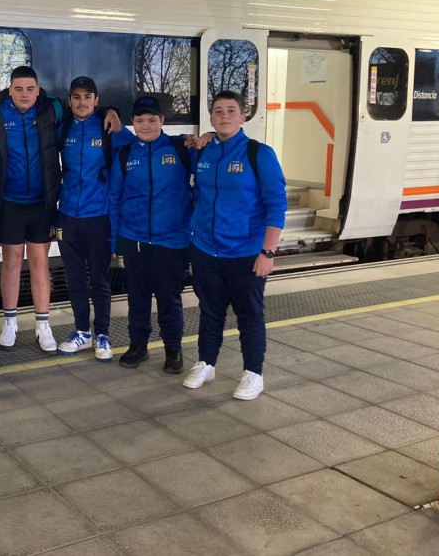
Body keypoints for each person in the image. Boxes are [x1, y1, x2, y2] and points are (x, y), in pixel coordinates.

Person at [0, 66, 120, 353]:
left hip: (42, 202)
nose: (25, 94)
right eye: (18, 89)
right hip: (9, 201)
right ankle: (10, 323)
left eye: (30, 88)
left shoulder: (52, 110)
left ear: (38, 89)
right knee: (12, 262)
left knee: (40, 263)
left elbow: (87, 113)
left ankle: (44, 326)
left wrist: (111, 111)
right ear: (10, 90)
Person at [183, 90, 286, 400]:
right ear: (211, 119)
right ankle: (206, 363)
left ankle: (253, 373)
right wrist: (201, 138)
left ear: (244, 117)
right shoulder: (203, 151)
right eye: (218, 111)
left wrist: (267, 252)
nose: (224, 116)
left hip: (246, 252)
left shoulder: (259, 154)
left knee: (249, 314)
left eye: (231, 111)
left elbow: (276, 204)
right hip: (205, 249)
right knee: (210, 310)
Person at [108, 96, 195, 372]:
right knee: (137, 297)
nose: (145, 125)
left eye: (152, 119)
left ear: (162, 121)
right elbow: (114, 198)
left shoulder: (181, 148)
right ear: (132, 123)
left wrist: (206, 136)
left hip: (172, 240)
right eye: (139, 120)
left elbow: (214, 160)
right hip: (133, 239)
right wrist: (115, 240)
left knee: (169, 297)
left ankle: (173, 348)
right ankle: (138, 346)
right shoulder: (125, 155)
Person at [55, 77, 134, 362]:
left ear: (97, 101)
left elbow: (146, 143)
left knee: (100, 279)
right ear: (70, 100)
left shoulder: (111, 129)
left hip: (99, 215)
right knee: (74, 279)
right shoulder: (63, 129)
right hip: (67, 216)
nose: (82, 102)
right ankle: (81, 332)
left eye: (88, 97)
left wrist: (199, 140)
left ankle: (102, 334)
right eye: (76, 97)